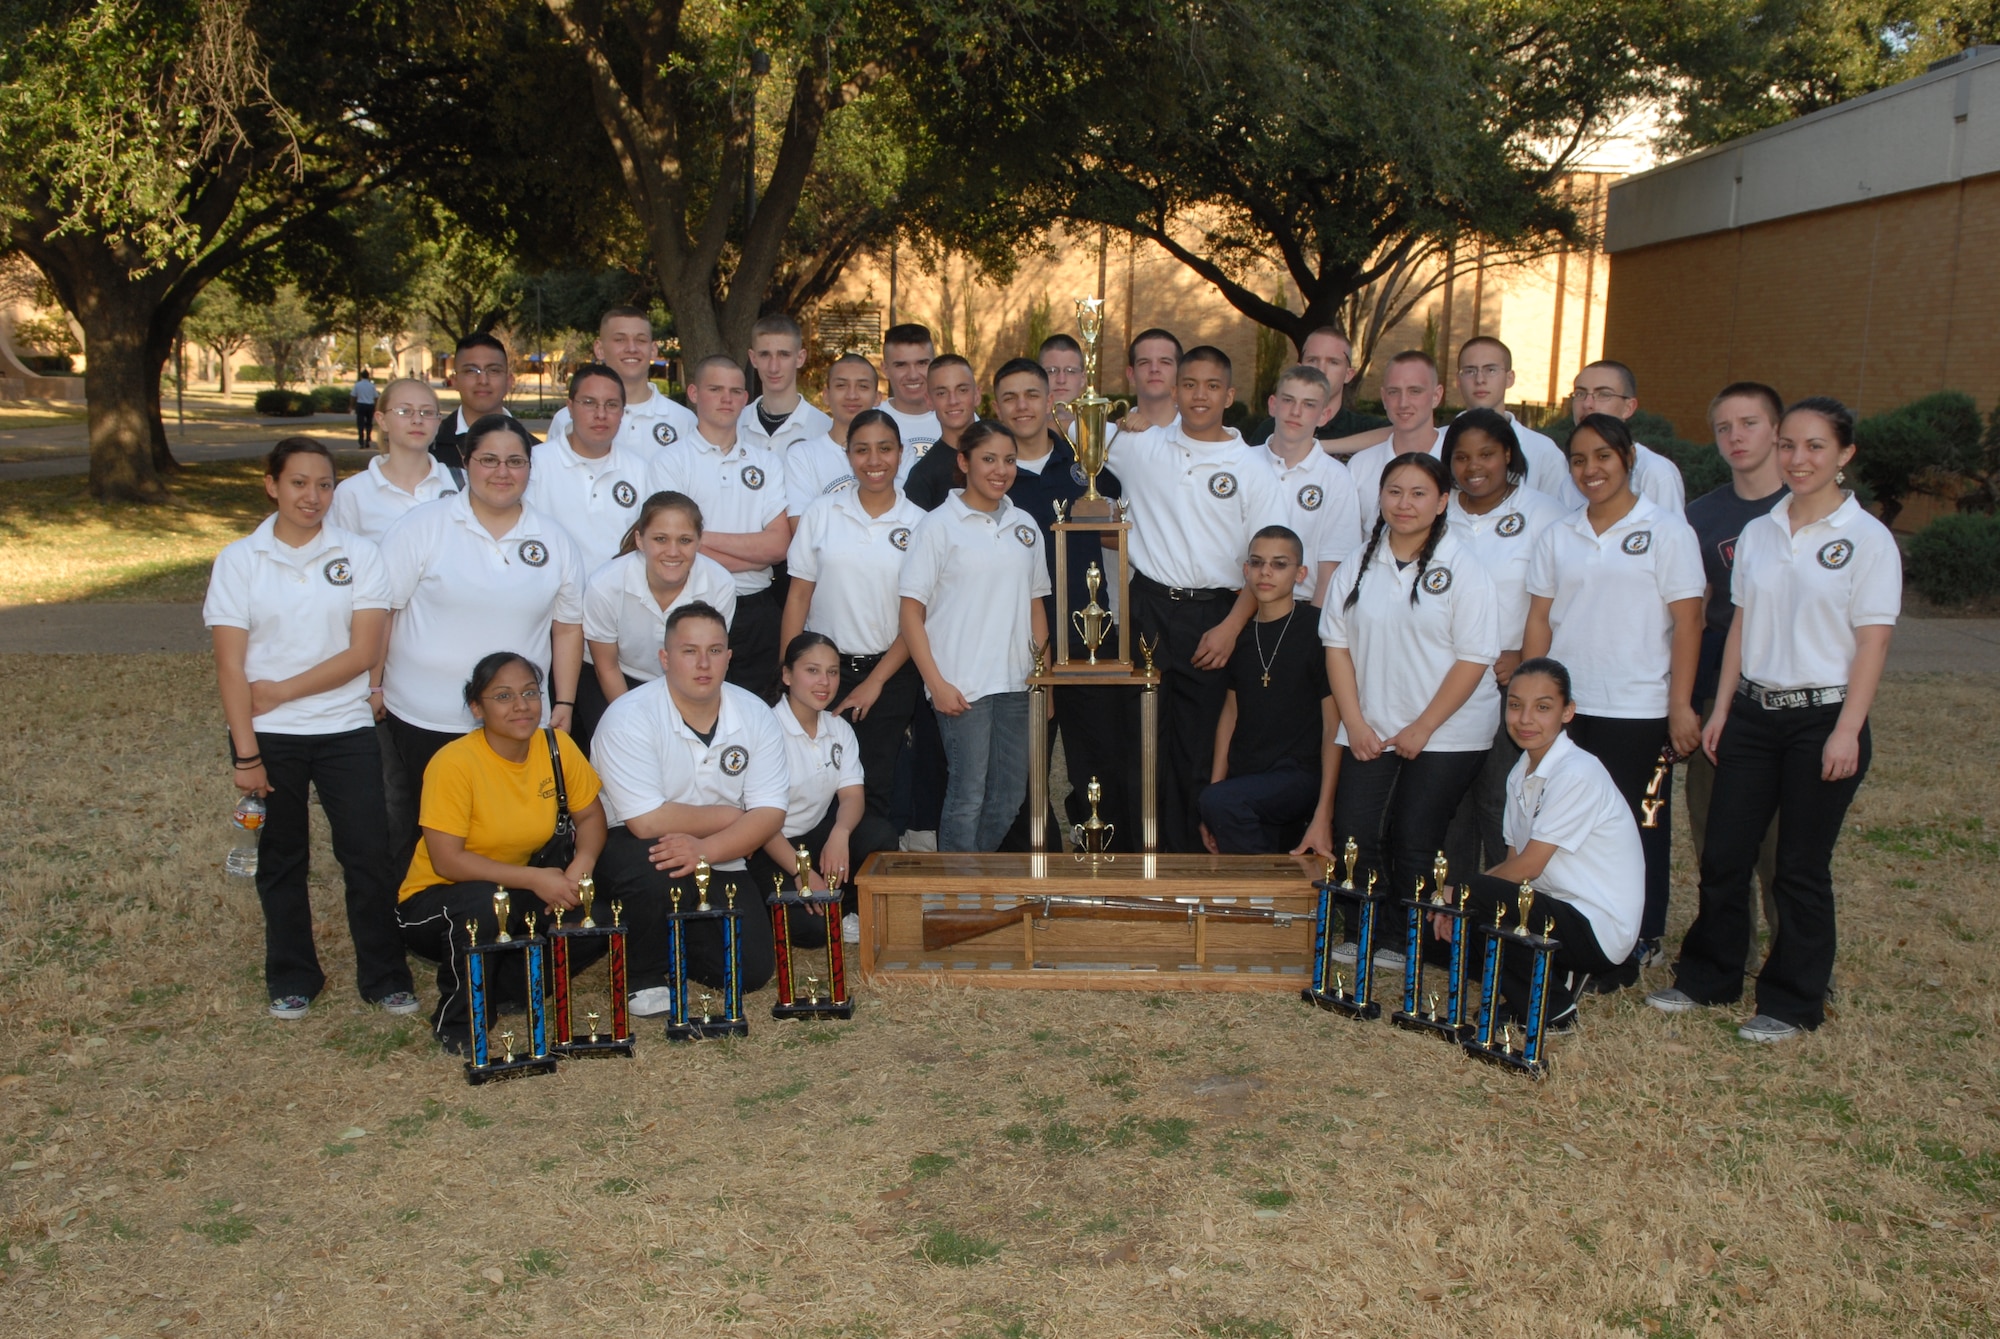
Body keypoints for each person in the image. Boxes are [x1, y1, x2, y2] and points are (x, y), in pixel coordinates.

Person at [1650, 397, 1899, 1042]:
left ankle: (1791, 1001)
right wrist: (1723, 709)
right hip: (1752, 716)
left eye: (1816, 446)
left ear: (1844, 455)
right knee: (1725, 855)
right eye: (1789, 445)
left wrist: (1848, 728)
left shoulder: (1866, 538)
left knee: (1798, 866)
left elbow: (1872, 643)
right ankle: (1709, 978)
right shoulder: (1761, 530)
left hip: (1823, 719)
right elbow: (1739, 629)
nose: (1798, 458)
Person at [205, 437, 418, 1021]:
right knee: (282, 858)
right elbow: (230, 666)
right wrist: (247, 753)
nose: (313, 496)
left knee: (368, 856)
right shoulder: (239, 560)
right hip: (268, 737)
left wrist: (279, 691)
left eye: (324, 484)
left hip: (345, 728)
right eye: (298, 482)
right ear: (271, 484)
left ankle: (384, 976)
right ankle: (293, 976)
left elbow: (362, 653)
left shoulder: (359, 554)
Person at [1523, 412, 1704, 983]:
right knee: (1566, 822)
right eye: (1578, 459)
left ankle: (1641, 934)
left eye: (1602, 456)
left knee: (1639, 822)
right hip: (1573, 710)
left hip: (1639, 709)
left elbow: (1690, 622)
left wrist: (1680, 705)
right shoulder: (1560, 533)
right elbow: (1540, 619)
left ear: (1627, 458)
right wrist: (1530, 692)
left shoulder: (1667, 531)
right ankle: (1581, 931)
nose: (1590, 469)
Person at [379, 415, 587, 867]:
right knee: (417, 833)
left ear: (531, 469)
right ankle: (418, 924)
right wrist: (373, 686)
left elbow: (567, 627)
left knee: (506, 833)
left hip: (515, 723)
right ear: (465, 461)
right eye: (489, 460)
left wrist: (564, 702)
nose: (502, 472)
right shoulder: (422, 527)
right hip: (423, 718)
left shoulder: (555, 540)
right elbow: (383, 611)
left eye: (515, 461)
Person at [1320, 452, 1498, 963]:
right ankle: (1362, 928)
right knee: (1356, 829)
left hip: (1446, 732)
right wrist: (1353, 723)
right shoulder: (1359, 562)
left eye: (1420, 493)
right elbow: (1336, 645)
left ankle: (1403, 938)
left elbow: (1475, 657)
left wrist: (1424, 726)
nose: (1405, 503)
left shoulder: (1463, 567)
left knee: (1415, 837)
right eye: (1395, 491)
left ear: (1443, 502)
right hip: (1368, 726)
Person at [1107, 345, 1284, 852]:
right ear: (1175, 389)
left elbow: (1267, 565)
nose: (1199, 395)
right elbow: (1073, 429)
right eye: (1189, 384)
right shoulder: (1142, 446)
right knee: (1140, 743)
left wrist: (1231, 627)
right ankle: (1136, 860)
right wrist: (1125, 420)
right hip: (1148, 608)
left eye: (1211, 386)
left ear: (1229, 395)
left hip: (1216, 615)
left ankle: (1189, 862)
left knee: (1198, 748)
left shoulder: (1252, 469)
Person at [393, 653, 607, 1050]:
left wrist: (581, 865)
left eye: (530, 692)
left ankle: (505, 988)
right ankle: (460, 1022)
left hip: (521, 887)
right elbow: (447, 860)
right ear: (477, 707)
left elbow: (592, 818)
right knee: (485, 902)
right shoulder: (453, 763)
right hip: (437, 901)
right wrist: (535, 879)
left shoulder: (556, 745)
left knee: (597, 919)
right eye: (503, 696)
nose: (521, 705)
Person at [589, 602, 791, 1013]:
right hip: (636, 846)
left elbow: (770, 813)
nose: (704, 663)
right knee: (656, 870)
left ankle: (676, 940)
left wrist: (707, 850)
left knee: (749, 972)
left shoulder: (755, 713)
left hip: (719, 851)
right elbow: (646, 820)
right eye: (689, 651)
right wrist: (731, 818)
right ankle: (643, 974)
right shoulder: (628, 716)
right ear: (664, 658)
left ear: (729, 657)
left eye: (715, 650)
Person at [1429, 657, 1641, 1034]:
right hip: (1554, 907)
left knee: (1474, 897)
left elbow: (1529, 867)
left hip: (1598, 925)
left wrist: (1458, 894)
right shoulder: (1519, 772)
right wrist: (1463, 900)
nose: (1525, 719)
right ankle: (1538, 989)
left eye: (1543, 707)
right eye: (1515, 705)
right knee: (1468, 916)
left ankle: (1554, 1010)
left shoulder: (1578, 771)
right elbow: (1512, 866)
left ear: (1567, 712)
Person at [983, 357, 1128, 849]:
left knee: (1100, 756)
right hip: (1016, 639)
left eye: (1031, 395)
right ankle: (1032, 860)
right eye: (1009, 397)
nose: (1021, 406)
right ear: (997, 407)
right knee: (1024, 763)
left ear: (1051, 401)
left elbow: (1115, 534)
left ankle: (1101, 855)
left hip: (1090, 632)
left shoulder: (1086, 463)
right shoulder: (993, 478)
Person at [899, 421, 1052, 852]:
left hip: (1017, 685)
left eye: (1009, 460)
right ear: (963, 462)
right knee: (967, 796)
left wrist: (1044, 678)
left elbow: (1036, 604)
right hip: (961, 687)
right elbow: (911, 611)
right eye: (988, 459)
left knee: (1009, 797)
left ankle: (974, 883)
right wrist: (936, 683)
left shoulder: (1025, 525)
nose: (1000, 470)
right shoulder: (938, 526)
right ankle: (959, 897)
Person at [781, 409, 925, 830]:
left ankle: (866, 885)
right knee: (816, 782)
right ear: (847, 455)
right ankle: (815, 885)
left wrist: (875, 682)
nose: (874, 460)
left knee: (875, 785)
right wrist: (790, 672)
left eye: (885, 449)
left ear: (901, 455)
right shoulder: (821, 513)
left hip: (890, 674)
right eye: (862, 450)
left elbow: (916, 616)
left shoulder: (920, 524)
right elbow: (798, 597)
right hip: (823, 673)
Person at [1440, 409, 1570, 877]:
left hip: (1505, 685)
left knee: (1500, 799)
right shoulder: (1436, 511)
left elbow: (1554, 602)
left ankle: (1501, 918)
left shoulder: (1544, 515)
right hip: (1442, 682)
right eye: (1461, 457)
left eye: (1487, 454)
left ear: (1509, 455)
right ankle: (1448, 920)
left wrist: (1525, 660)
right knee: (1449, 802)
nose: (1474, 467)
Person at [1684, 382, 1788, 962]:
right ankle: (1731, 948)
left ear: (1777, 430)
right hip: (1712, 691)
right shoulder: (1702, 515)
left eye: (1749, 424)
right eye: (1724, 427)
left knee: (1781, 841)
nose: (1736, 437)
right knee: (1716, 832)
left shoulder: (1803, 510)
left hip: (1783, 690)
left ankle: (1790, 951)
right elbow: (1691, 611)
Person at [522, 363, 654, 750]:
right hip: (544, 637)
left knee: (606, 748)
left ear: (623, 412)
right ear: (569, 407)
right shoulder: (535, 466)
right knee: (545, 751)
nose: (600, 414)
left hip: (610, 644)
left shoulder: (641, 471)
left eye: (612, 405)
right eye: (590, 403)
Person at [647, 354, 791, 702]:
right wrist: (753, 555)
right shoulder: (670, 462)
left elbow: (778, 547)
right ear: (694, 393)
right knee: (692, 707)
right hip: (694, 603)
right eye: (715, 389)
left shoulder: (766, 463)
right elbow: (673, 550)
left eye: (735, 391)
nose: (726, 399)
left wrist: (698, 542)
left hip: (757, 609)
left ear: (746, 398)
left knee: (757, 712)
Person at [755, 633, 901, 944]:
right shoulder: (764, 728)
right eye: (812, 671)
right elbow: (757, 820)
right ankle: (781, 907)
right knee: (813, 934)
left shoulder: (838, 727)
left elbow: (852, 797)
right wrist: (802, 872)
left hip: (814, 837)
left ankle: (845, 906)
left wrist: (840, 833)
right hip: (769, 844)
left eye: (832, 672)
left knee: (879, 835)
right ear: (787, 675)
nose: (825, 682)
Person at [1199, 527, 1336, 855]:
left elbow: (1334, 725)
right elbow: (1230, 715)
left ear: (1300, 573)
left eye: (1279, 564)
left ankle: (1265, 898)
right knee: (1224, 807)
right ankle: (1268, 901)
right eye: (1257, 563)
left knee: (1224, 804)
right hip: (1249, 775)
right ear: (1246, 571)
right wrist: (1214, 799)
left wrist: (1325, 810)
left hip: (1298, 772)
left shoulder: (1319, 629)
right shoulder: (1239, 635)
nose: (1266, 572)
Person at [584, 490, 739, 703]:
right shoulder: (605, 585)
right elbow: (607, 667)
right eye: (660, 539)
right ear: (639, 540)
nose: (673, 552)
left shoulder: (721, 584)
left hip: (689, 679)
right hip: (620, 678)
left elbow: (708, 659)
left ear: (699, 541)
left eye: (684, 540)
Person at [1254, 364, 1362, 604]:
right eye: (1288, 400)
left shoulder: (1336, 478)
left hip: (1301, 604)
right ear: (1272, 404)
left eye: (1309, 405)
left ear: (1324, 415)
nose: (1296, 412)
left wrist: (1311, 627)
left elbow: (1332, 568)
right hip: (1235, 599)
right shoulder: (1242, 463)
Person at [545, 306, 699, 465]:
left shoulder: (684, 421)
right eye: (619, 339)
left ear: (653, 349)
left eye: (641, 340)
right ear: (599, 349)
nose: (631, 348)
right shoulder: (566, 419)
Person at [1452, 336, 1582, 508]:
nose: (1480, 379)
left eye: (1491, 370)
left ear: (1510, 378)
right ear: (1458, 380)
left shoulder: (1543, 451)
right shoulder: (1438, 443)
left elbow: (1560, 517)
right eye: (1470, 371)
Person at [1337, 351, 1447, 531]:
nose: (1403, 402)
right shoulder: (1360, 466)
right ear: (1383, 397)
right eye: (1394, 392)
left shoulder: (1456, 462)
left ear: (1436, 395)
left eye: (1415, 391)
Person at [1569, 360, 1687, 513]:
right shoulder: (1570, 476)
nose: (1587, 404)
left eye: (1603, 394)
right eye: (1580, 394)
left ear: (1629, 407)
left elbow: (1670, 533)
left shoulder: (1654, 473)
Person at [1241, 327, 1389, 448]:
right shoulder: (1271, 429)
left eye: (1333, 362)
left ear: (1349, 374)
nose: (1321, 370)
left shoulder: (1366, 429)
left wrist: (1318, 448)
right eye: (1312, 360)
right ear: (1300, 369)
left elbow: (1407, 434)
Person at [786, 353, 880, 517]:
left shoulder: (898, 452)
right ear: (826, 396)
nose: (852, 395)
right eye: (841, 386)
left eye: (863, 386)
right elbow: (801, 528)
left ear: (877, 397)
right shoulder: (802, 456)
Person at [432, 333, 537, 468]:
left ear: (509, 382)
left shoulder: (536, 452)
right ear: (454, 381)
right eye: (471, 371)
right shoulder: (429, 447)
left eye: (493, 370)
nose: (483, 381)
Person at [739, 314, 832, 459]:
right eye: (765, 355)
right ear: (753, 358)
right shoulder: (736, 424)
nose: (773, 367)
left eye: (784, 355)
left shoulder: (824, 429)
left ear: (800, 358)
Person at [900, 355, 987, 506]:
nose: (953, 401)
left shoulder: (1004, 457)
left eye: (962, 390)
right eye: (942, 393)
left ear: (977, 395)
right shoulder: (923, 476)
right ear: (929, 401)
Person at [879, 323, 942, 469]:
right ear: (885, 369)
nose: (913, 375)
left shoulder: (959, 417)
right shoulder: (871, 419)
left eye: (922, 363)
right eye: (901, 365)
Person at [1123, 327, 1182, 432]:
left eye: (1165, 362)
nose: (1154, 369)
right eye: (1144, 362)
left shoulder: (1203, 437)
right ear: (1131, 375)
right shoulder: (1110, 438)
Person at [1040, 333, 1086, 440]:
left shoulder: (1099, 432)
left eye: (1070, 371)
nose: (1061, 380)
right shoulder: (1018, 431)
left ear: (1083, 378)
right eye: (1051, 371)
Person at [351, 368, 379, 449]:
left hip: (360, 405)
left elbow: (353, 396)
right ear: (368, 376)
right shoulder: (372, 386)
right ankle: (367, 439)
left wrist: (351, 406)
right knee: (369, 423)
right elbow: (376, 397)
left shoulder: (357, 385)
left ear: (361, 376)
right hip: (370, 405)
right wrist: (376, 406)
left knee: (360, 423)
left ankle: (361, 441)